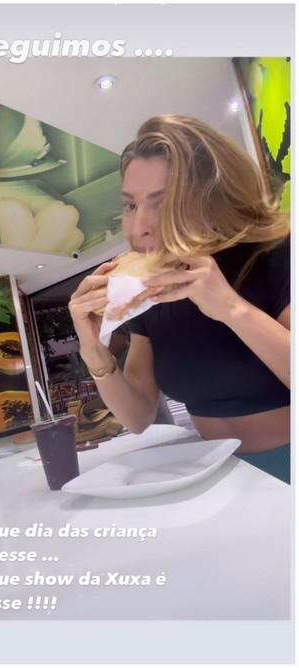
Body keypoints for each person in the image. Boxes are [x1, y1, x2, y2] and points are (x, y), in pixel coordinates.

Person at [68, 114, 290, 483]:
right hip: (207, 473)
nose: (139, 227)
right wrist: (93, 348)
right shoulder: (150, 293)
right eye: (130, 205)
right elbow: (138, 418)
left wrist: (231, 309)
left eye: (162, 202)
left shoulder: (276, 253)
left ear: (212, 197)